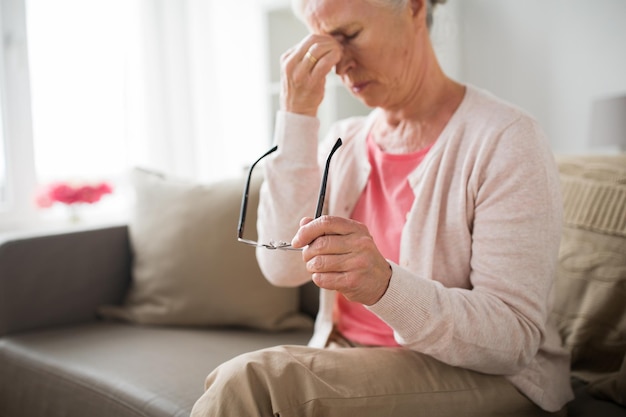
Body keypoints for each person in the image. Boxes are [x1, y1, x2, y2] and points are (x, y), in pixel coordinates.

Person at [191, 0, 574, 415]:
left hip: (487, 377)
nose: (339, 64)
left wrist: (384, 285)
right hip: (354, 359)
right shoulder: (346, 141)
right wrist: (297, 116)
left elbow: (512, 340)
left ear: (413, 7)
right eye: (322, 42)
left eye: (349, 36)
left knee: (254, 382)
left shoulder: (506, 139)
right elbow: (282, 268)